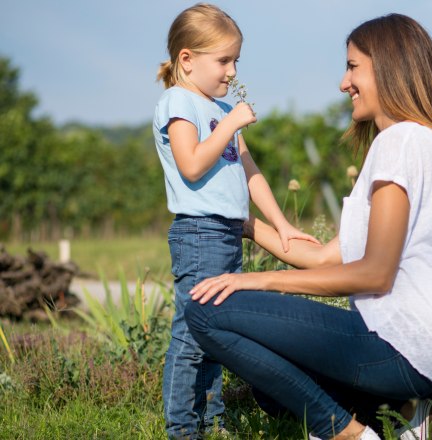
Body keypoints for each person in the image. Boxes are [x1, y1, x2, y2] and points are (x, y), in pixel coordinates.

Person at [184, 12, 432, 440]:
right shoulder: (427, 143)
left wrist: (259, 281)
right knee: (272, 389)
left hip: (402, 348)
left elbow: (374, 273)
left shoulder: (400, 141)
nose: (343, 83)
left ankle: (347, 432)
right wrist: (244, 224)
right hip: (429, 356)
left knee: (205, 314)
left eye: (353, 67)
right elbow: (321, 256)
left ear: (391, 68)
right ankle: (407, 413)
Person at [152, 3, 317, 438]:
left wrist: (281, 225)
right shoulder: (178, 102)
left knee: (218, 334)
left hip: (225, 234)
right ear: (187, 59)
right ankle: (183, 428)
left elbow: (251, 174)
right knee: (191, 336)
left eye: (235, 61)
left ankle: (214, 421)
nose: (231, 71)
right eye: (223, 60)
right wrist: (230, 124)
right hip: (199, 234)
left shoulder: (221, 109)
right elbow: (191, 165)